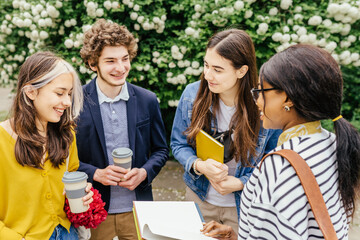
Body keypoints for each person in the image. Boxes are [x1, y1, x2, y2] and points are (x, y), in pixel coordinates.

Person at [202, 44, 360, 239]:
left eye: (261, 91)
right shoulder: (332, 144)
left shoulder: (279, 166)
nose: (257, 101)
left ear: (287, 99)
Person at [170, 29, 281, 234]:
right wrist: (199, 165)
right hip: (198, 200)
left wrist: (241, 183)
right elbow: (178, 144)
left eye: (218, 69)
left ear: (241, 71)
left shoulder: (265, 106)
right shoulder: (192, 95)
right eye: (206, 65)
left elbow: (275, 163)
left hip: (244, 207)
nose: (208, 75)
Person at [76, 19, 169, 239]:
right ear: (92, 63)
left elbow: (161, 151)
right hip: (94, 210)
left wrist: (144, 172)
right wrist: (96, 173)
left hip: (138, 209)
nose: (120, 68)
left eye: (125, 59)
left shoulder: (147, 100)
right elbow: (63, 159)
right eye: (110, 61)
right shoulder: (74, 103)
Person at [0, 51, 94, 240]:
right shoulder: (2, 140)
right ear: (31, 91)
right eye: (59, 93)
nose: (67, 102)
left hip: (69, 234)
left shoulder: (67, 135)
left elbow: (72, 179)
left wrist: (83, 194)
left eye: (69, 94)